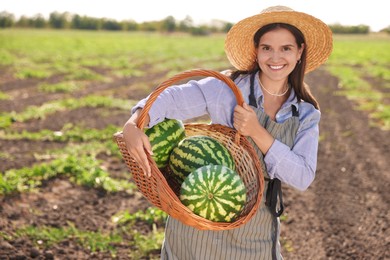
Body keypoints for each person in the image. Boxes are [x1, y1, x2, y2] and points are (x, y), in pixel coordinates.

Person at [122, 5, 333, 260]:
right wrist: (134, 123)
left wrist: (257, 132)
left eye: (286, 48)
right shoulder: (227, 87)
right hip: (198, 223)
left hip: (256, 227)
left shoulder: (306, 114)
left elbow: (302, 176)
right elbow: (171, 99)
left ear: (299, 52)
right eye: (267, 48)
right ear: (257, 50)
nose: (275, 58)